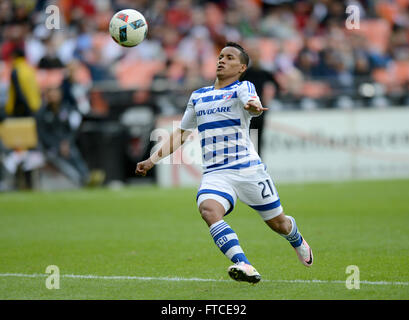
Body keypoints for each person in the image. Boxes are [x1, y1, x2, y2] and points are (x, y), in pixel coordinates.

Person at [136, 42, 313, 284]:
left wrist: (254, 107)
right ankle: (244, 264)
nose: (222, 60)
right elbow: (181, 134)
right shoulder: (199, 96)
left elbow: (251, 102)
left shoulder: (243, 87)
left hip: (248, 169)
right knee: (208, 210)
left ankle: (296, 239)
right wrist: (151, 159)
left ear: (241, 67)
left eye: (229, 58)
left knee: (279, 224)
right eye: (220, 56)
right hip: (216, 173)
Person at [36, 86, 90, 187]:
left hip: (67, 145)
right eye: (50, 93)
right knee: (60, 159)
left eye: (55, 93)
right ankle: (78, 180)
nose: (53, 96)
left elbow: (73, 129)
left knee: (73, 153)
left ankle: (86, 176)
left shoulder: (67, 109)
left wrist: (67, 142)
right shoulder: (42, 114)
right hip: (50, 148)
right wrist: (57, 145)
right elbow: (42, 135)